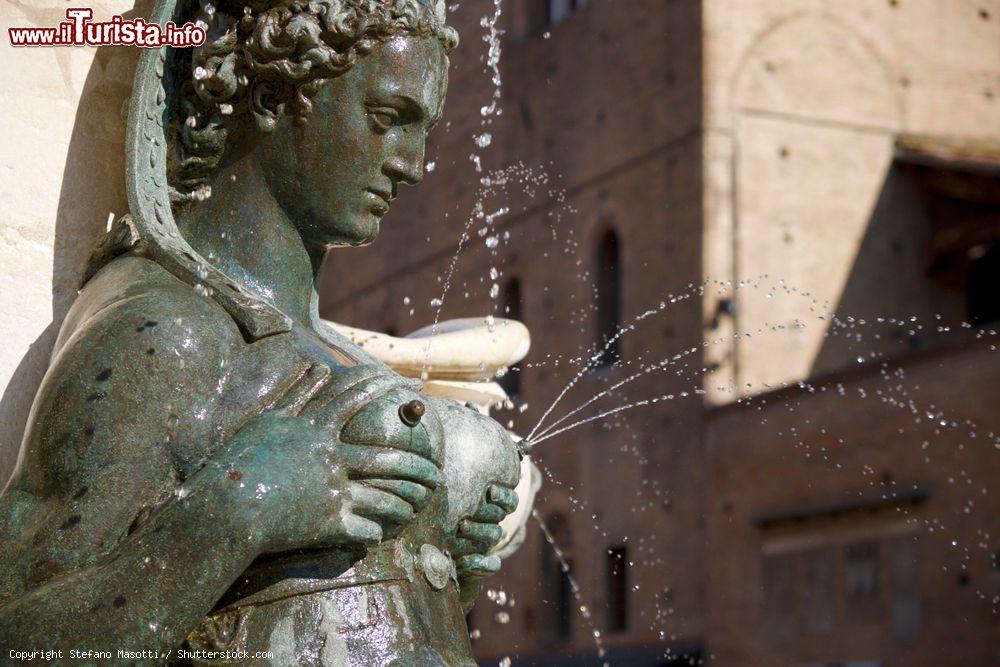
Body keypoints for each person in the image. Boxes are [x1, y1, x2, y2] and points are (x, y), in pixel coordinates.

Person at [0, 1, 521, 664]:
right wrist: (237, 510)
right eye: (389, 120)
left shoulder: (321, 352)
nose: (412, 165)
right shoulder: (167, 335)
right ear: (274, 96)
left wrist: (440, 567)